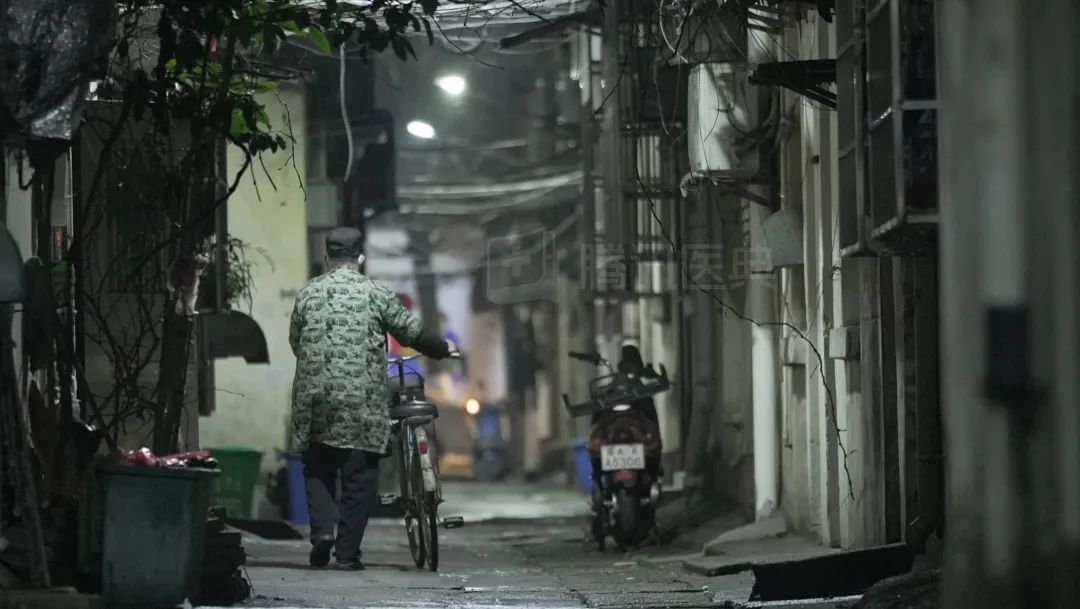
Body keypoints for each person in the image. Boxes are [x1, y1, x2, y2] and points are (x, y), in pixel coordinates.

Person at [289, 227, 454, 570]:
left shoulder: (307, 293)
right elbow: (411, 332)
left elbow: (296, 343)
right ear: (361, 259)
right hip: (361, 400)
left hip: (313, 398)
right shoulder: (375, 293)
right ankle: (347, 554)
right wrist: (443, 349)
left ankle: (322, 534)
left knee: (317, 465)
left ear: (326, 258)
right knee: (359, 475)